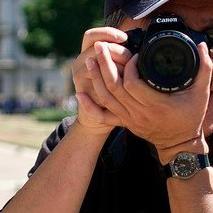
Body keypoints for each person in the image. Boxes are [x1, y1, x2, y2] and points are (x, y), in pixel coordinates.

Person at [1, 0, 213, 212]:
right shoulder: (87, 141)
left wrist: (181, 145)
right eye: (163, 34)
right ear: (111, 43)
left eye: (211, 35)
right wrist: (92, 125)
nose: (199, 61)